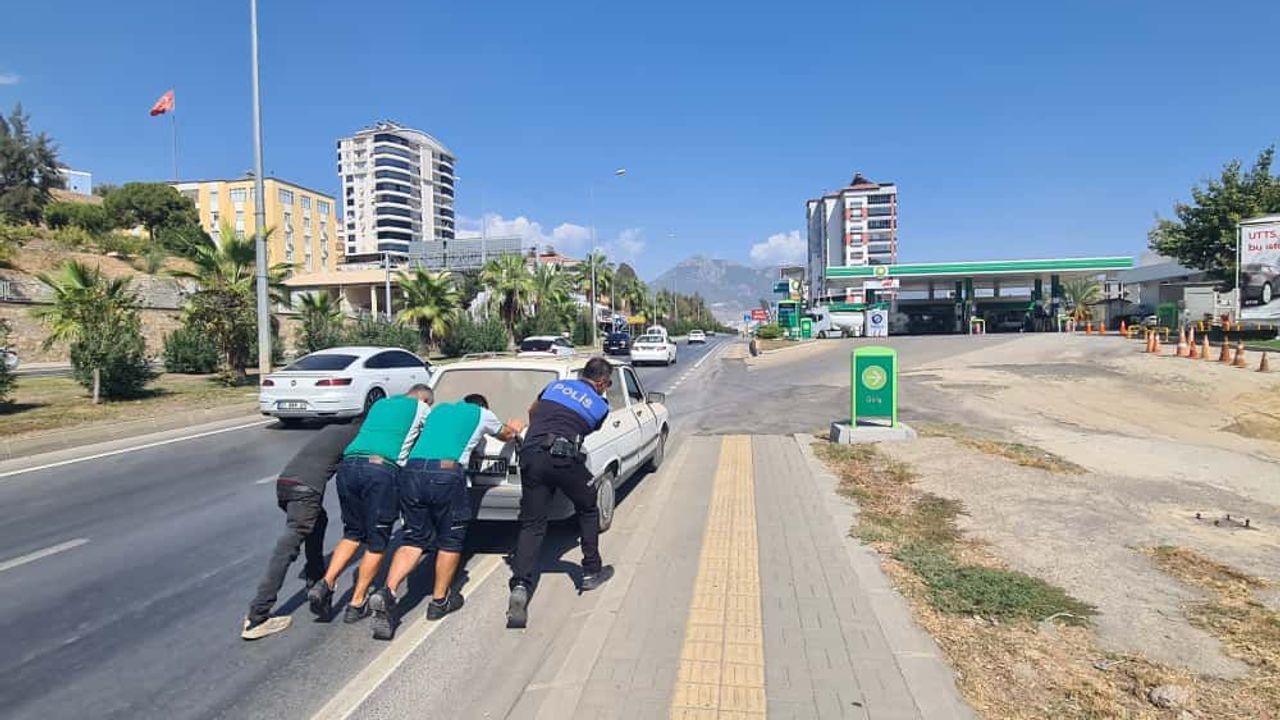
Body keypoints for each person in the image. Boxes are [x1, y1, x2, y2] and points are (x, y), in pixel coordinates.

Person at [369, 394, 525, 640]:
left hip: (412, 472)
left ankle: (387, 592)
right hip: (445, 473)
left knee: (413, 540)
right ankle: (439, 601)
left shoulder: (439, 410)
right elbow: (505, 435)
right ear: (483, 406)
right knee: (450, 540)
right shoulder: (481, 414)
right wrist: (515, 428)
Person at [307, 385, 433, 623]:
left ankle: (326, 582)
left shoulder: (380, 404)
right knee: (377, 542)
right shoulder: (422, 408)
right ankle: (357, 602)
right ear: (425, 399)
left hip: (348, 466)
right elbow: (429, 438)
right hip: (380, 470)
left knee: (352, 533)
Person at [506, 357, 615, 629]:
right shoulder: (601, 405)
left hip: (531, 454)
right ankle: (591, 570)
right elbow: (583, 430)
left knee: (532, 524)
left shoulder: (555, 386)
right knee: (588, 506)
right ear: (601, 383)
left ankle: (520, 585)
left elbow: (533, 410)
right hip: (563, 457)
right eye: (608, 384)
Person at [241, 420, 361, 640]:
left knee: (318, 521)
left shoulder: (332, 429)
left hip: (285, 484)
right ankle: (257, 616)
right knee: (288, 546)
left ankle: (315, 580)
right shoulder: (358, 438)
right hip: (306, 491)